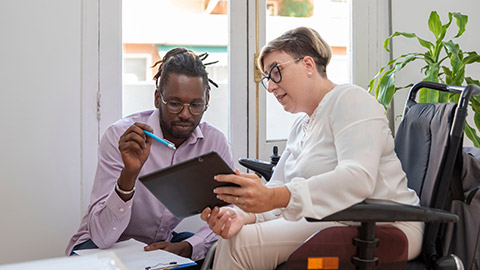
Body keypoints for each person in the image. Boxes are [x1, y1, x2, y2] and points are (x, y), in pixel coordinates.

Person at [200, 26, 424, 269]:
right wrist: (243, 215)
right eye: (267, 78)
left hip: (381, 226)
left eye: (275, 72)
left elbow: (358, 178)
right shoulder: (301, 126)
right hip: (332, 219)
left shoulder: (351, 100)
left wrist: (273, 197)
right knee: (232, 236)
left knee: (239, 246)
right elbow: (278, 185)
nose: (271, 86)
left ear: (308, 64)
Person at [66, 48, 233, 267]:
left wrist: (190, 246)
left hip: (158, 250)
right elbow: (102, 236)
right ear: (157, 98)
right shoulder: (122, 137)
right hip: (100, 247)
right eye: (174, 103)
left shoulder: (213, 142)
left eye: (195, 105)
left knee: (219, 249)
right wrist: (129, 174)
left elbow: (231, 209)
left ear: (207, 101)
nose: (185, 114)